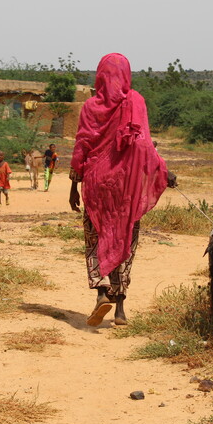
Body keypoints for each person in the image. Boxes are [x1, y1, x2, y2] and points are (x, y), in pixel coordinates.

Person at [69, 53, 177, 326]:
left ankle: (102, 291)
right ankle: (120, 310)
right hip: (126, 188)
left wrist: (73, 185)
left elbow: (82, 144)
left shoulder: (90, 106)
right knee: (125, 240)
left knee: (96, 238)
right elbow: (143, 145)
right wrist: (163, 171)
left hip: (96, 185)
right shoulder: (135, 101)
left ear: (100, 76)